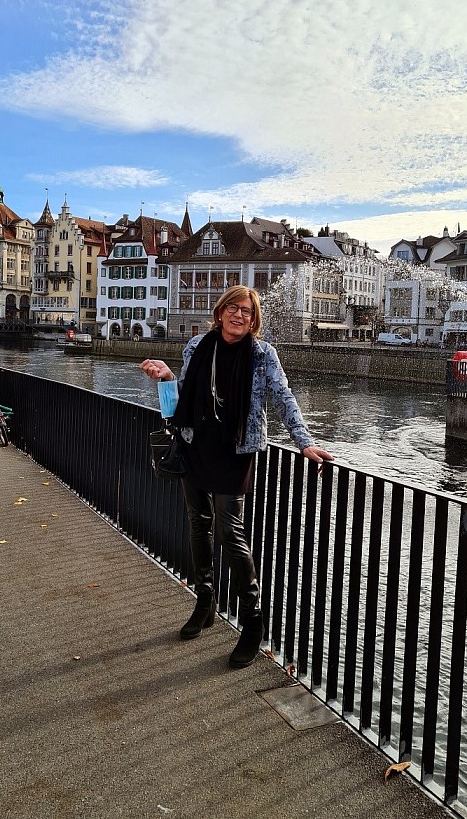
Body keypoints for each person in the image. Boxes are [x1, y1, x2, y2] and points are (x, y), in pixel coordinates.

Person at [141, 286, 333, 669]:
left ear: (254, 318)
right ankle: (206, 601)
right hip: (196, 446)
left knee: (231, 533)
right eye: (233, 308)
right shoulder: (198, 346)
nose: (239, 316)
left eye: (247, 311)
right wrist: (165, 377)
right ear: (221, 311)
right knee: (199, 525)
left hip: (235, 452)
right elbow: (182, 397)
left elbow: (283, 398)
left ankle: (253, 620)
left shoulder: (263, 355)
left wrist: (304, 442)